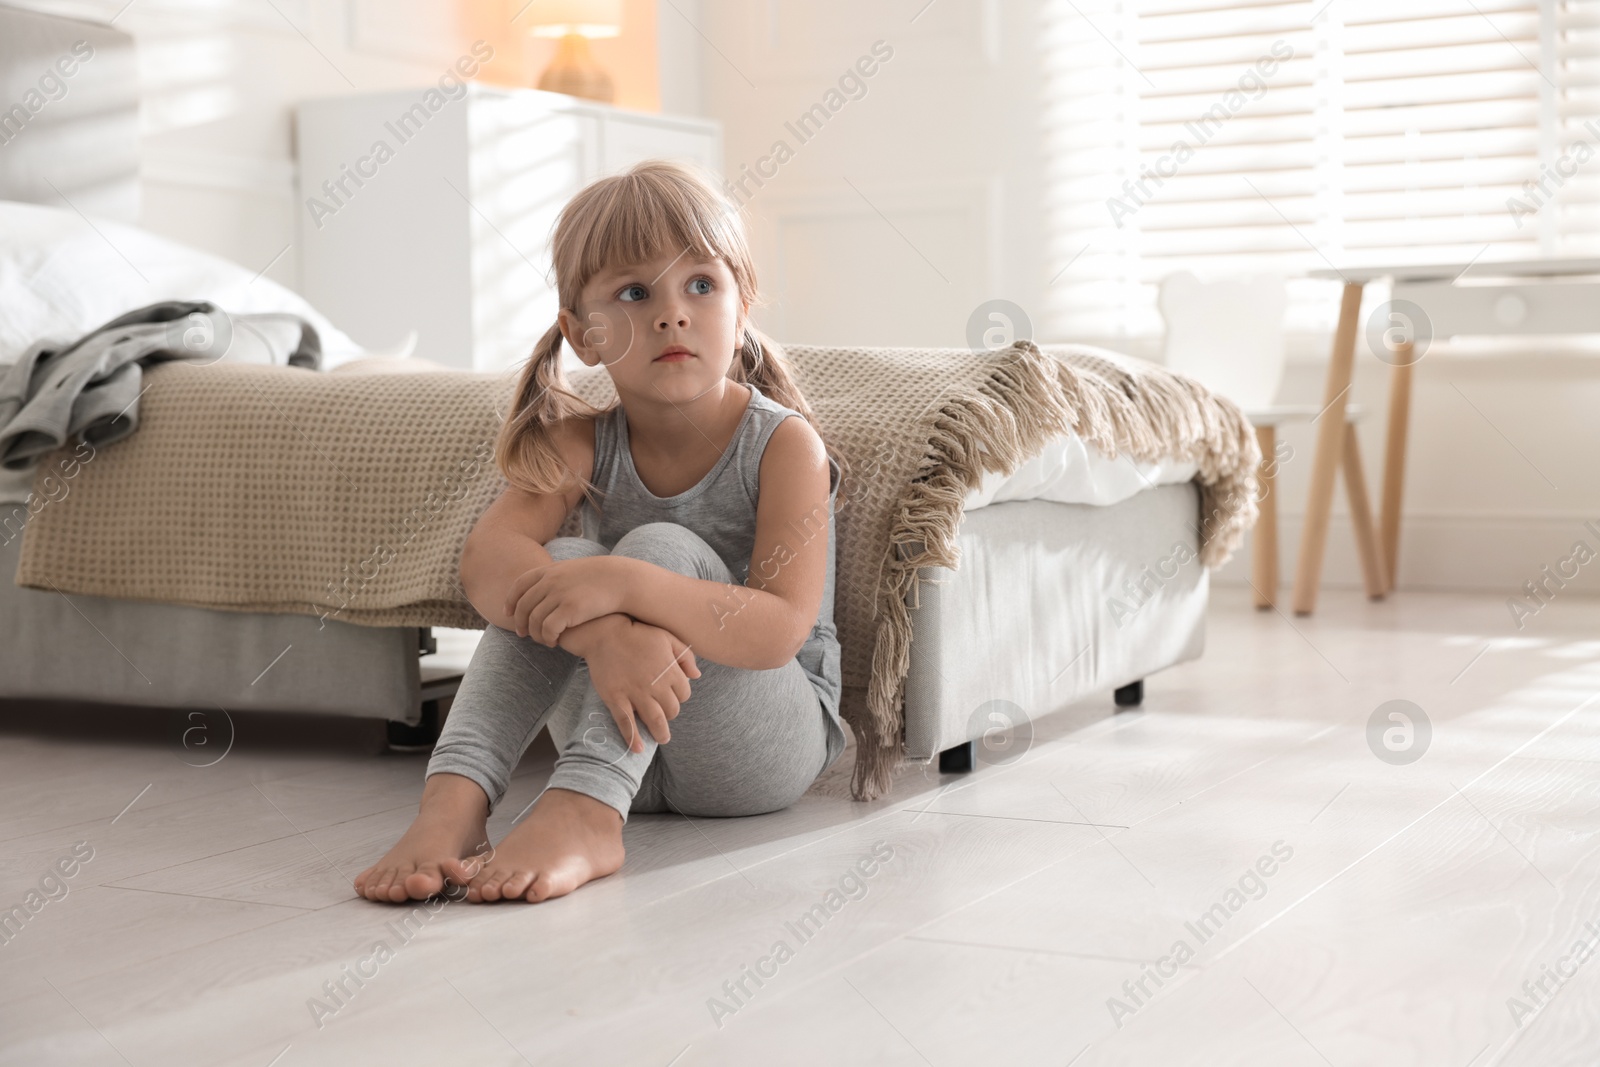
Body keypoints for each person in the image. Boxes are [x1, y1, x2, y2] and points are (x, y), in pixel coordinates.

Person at [354, 160, 845, 904]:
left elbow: (779, 629)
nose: (671, 313)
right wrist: (604, 635)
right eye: (634, 292)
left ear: (741, 307)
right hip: (618, 729)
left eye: (701, 285)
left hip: (756, 752)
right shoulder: (582, 440)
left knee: (653, 551)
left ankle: (585, 813)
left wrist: (626, 584)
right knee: (554, 558)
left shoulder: (785, 446)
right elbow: (488, 564)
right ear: (582, 335)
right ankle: (453, 805)